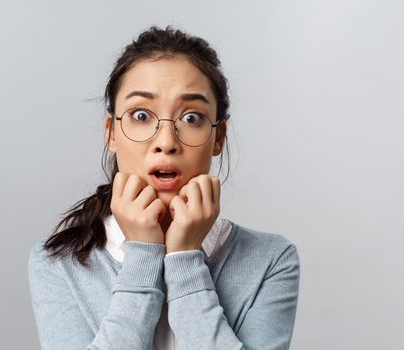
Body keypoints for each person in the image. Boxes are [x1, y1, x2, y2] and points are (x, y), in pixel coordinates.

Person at [28, 26, 300, 350]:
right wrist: (143, 255)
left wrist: (184, 258)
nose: (166, 142)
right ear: (111, 133)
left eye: (192, 117)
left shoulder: (270, 259)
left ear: (218, 137)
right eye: (141, 115)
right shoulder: (58, 262)